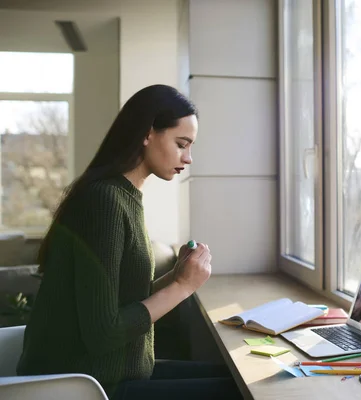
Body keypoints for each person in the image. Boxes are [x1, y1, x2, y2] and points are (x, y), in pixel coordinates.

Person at [16, 84, 242, 400]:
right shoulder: (103, 201)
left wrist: (176, 276)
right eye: (181, 144)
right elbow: (104, 332)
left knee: (242, 383)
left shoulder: (122, 196)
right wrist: (183, 288)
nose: (188, 158)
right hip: (90, 385)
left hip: (116, 372)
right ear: (147, 133)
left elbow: (119, 300)